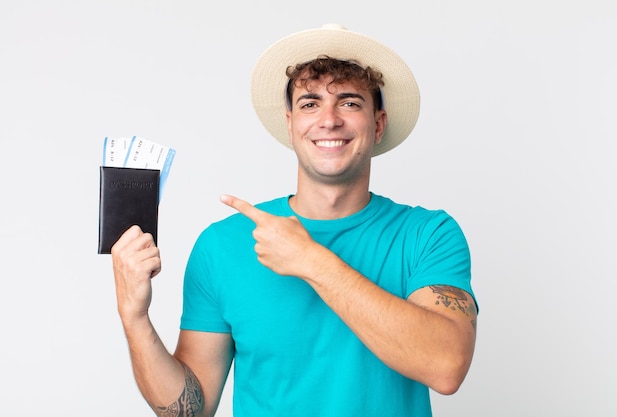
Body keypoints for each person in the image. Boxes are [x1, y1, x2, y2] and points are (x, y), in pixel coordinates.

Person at [111, 23, 478, 417]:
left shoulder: (428, 235)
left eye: (350, 103)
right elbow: (190, 410)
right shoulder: (223, 244)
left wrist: (311, 260)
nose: (329, 119)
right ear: (290, 124)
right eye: (310, 103)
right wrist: (134, 318)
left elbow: (446, 367)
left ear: (378, 124)